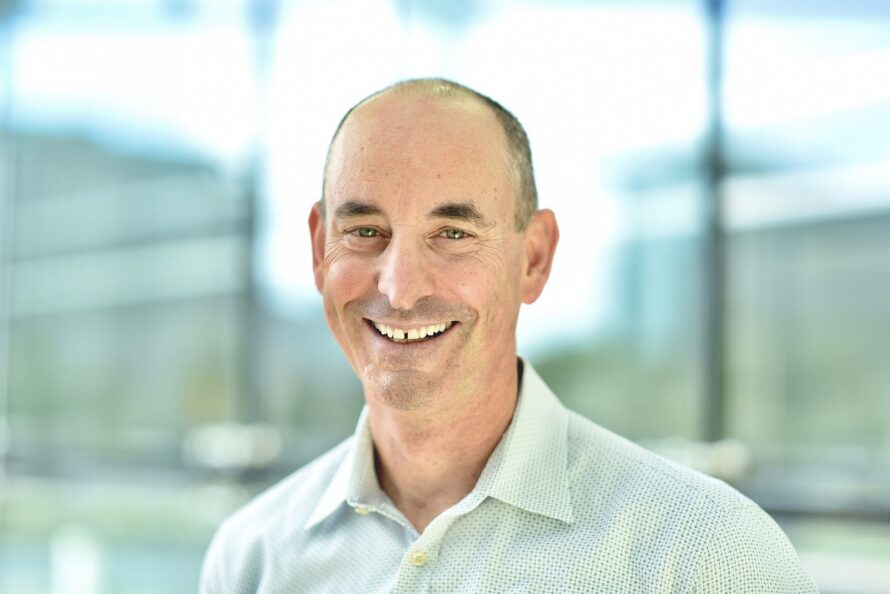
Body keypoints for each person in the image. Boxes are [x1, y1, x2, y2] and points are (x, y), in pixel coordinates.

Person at [199, 78, 818, 593]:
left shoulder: (707, 555)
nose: (401, 288)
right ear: (319, 250)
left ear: (534, 259)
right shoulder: (254, 557)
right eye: (364, 231)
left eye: (454, 233)